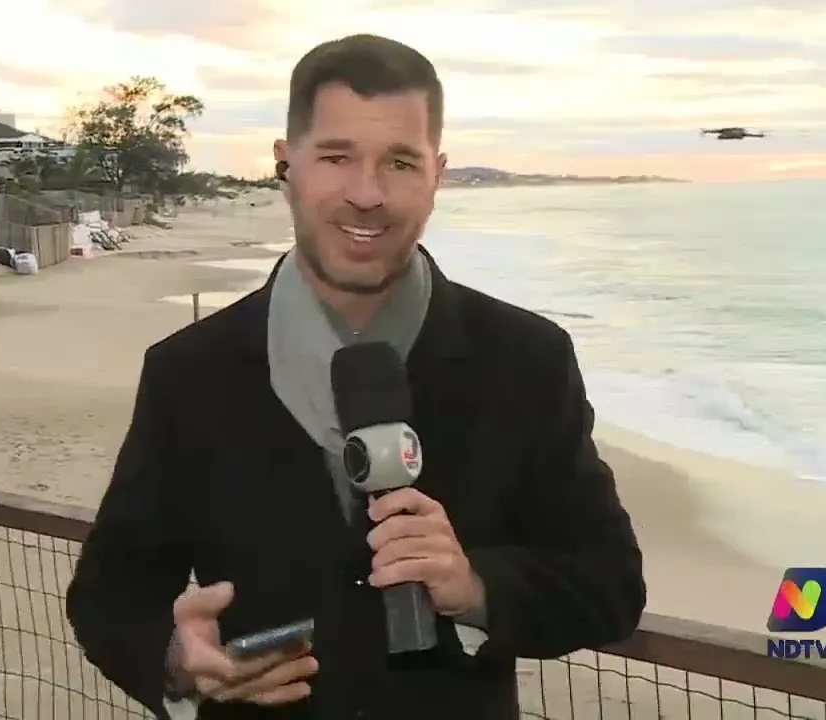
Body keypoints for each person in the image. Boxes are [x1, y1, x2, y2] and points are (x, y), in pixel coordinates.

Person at [67, 33, 646, 720]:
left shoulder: (525, 359)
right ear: (287, 165)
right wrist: (175, 655)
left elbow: (609, 583)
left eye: (400, 162)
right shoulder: (190, 372)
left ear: (438, 172)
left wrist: (474, 585)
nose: (366, 195)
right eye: (337, 157)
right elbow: (110, 591)